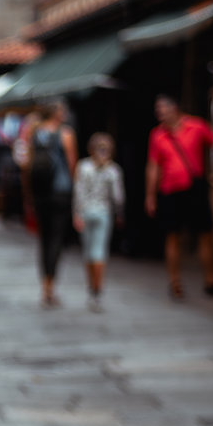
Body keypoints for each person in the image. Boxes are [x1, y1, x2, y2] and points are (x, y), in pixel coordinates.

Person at [144, 94, 213, 300]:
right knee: (172, 236)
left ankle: (211, 279)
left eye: (163, 108)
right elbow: (153, 166)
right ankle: (175, 282)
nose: (159, 112)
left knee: (206, 234)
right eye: (157, 109)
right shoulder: (157, 135)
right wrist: (150, 195)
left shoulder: (196, 126)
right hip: (169, 190)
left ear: (174, 107)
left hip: (194, 189)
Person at [20, 100, 78, 308]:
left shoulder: (34, 132)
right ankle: (50, 286)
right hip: (60, 192)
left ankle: (44, 285)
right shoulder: (66, 134)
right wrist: (75, 192)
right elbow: (72, 165)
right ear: (57, 114)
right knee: (55, 239)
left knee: (43, 239)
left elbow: (26, 165)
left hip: (40, 193)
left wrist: (28, 193)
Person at [72, 132, 125, 312]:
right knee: (98, 252)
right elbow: (118, 197)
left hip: (86, 212)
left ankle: (92, 289)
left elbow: (78, 192)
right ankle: (97, 291)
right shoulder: (113, 170)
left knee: (89, 253)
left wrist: (77, 214)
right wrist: (119, 213)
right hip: (102, 213)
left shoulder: (84, 166)